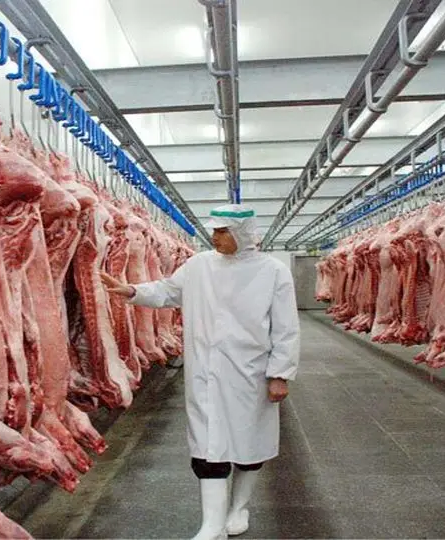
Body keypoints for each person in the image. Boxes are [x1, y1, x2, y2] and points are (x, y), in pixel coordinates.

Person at [101, 204, 300, 540]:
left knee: (249, 447)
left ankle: (238, 509)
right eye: (215, 231)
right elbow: (168, 291)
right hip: (204, 373)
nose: (214, 237)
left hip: (250, 373)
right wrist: (133, 291)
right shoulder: (198, 265)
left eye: (222, 231)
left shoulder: (273, 272)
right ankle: (212, 524)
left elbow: (286, 328)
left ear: (241, 234)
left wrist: (280, 373)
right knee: (208, 449)